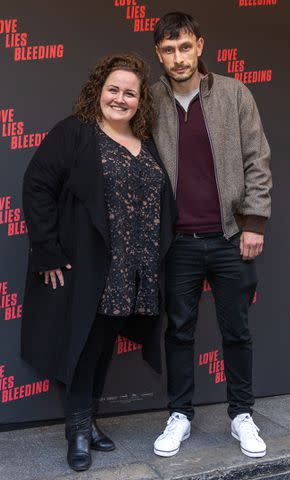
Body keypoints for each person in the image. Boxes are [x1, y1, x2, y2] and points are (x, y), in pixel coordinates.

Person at [21, 53, 176, 472]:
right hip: (88, 266)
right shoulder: (76, 133)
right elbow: (37, 186)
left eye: (130, 93)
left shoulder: (149, 145)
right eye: (113, 89)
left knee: (104, 346)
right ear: (98, 91)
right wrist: (47, 249)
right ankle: (76, 433)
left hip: (133, 271)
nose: (120, 99)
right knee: (83, 348)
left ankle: (88, 422)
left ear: (140, 101)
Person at [151, 12, 272, 459]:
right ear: (159, 55)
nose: (178, 58)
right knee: (179, 331)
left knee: (236, 331)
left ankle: (242, 414)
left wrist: (254, 223)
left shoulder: (235, 92)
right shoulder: (151, 100)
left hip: (228, 237)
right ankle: (180, 414)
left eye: (185, 47)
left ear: (200, 45)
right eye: (168, 50)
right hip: (178, 241)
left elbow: (257, 159)